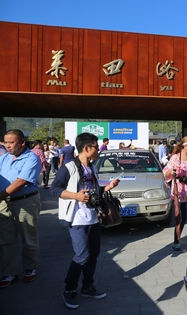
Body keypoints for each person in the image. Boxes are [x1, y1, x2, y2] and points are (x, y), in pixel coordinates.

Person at [50, 132, 120, 309]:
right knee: (82, 256)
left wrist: (108, 187)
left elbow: (94, 192)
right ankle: (69, 289)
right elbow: (55, 188)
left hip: (93, 219)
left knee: (93, 255)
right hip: (76, 219)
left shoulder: (92, 167)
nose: (98, 150)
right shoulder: (69, 168)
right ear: (87, 148)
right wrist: (75, 196)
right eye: (96, 147)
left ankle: (87, 286)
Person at [0, 129, 42, 288]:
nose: (8, 146)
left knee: (28, 238)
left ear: (22, 142)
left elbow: (20, 182)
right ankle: (9, 272)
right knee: (6, 240)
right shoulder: (4, 159)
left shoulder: (32, 158)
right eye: (5, 142)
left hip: (25, 202)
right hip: (4, 204)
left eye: (11, 142)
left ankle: (30, 269)